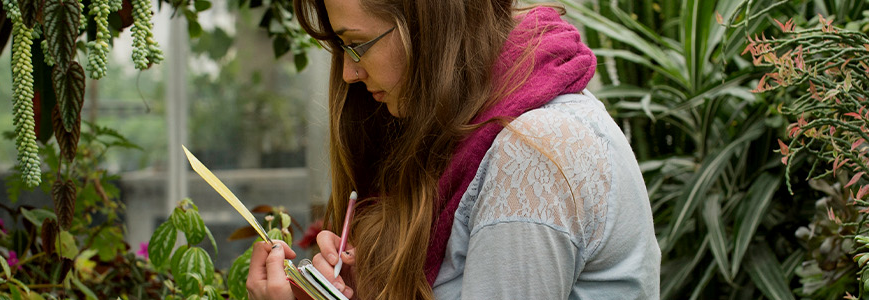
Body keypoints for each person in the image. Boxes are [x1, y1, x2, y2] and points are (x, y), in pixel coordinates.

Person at [245, 0, 660, 298]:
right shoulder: (465, 128)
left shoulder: (533, 154)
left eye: (358, 43)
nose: (350, 72)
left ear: (429, 23)